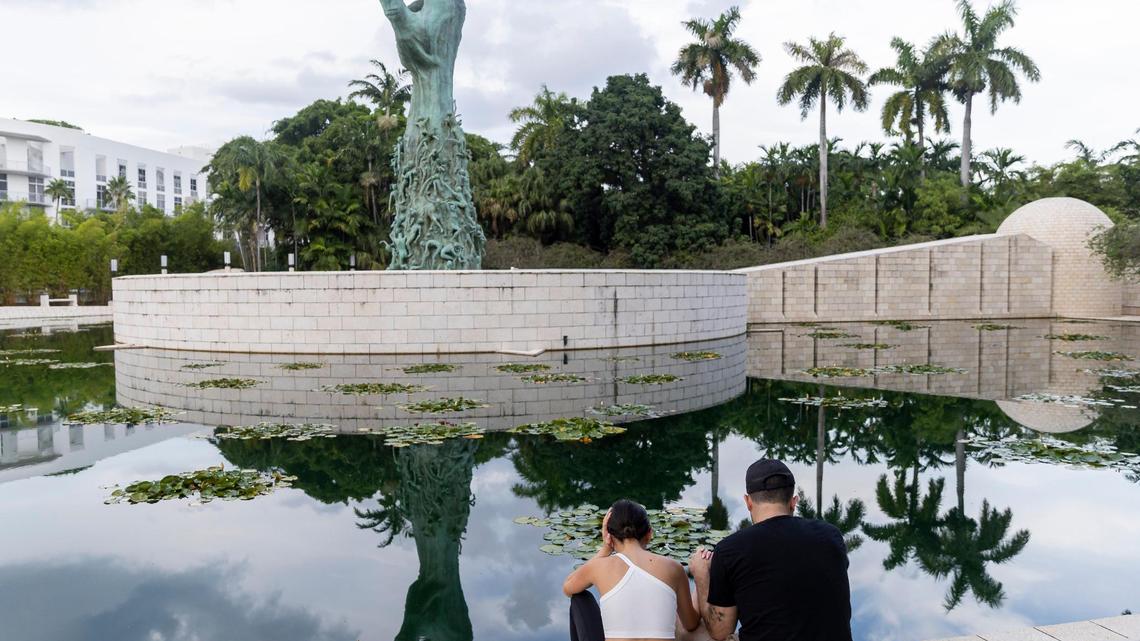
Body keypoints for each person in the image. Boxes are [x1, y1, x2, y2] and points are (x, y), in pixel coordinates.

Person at [688, 459, 852, 641]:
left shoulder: (730, 550)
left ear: (748, 502)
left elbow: (719, 632)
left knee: (687, 630)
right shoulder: (831, 535)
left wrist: (702, 574)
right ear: (793, 501)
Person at [563, 499, 703, 641]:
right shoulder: (674, 567)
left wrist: (605, 549)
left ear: (609, 536)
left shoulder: (599, 566)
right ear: (649, 534)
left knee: (579, 598)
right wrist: (700, 578)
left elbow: (568, 588)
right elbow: (691, 624)